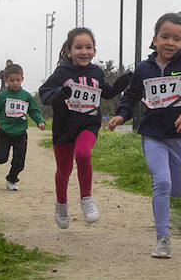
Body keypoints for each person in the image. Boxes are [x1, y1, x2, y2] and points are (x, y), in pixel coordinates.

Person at [107, 13, 181, 258]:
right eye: (165, 37)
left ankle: (165, 206)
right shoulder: (144, 69)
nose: (170, 43)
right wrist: (122, 115)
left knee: (177, 189)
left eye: (176, 38)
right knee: (162, 182)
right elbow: (130, 97)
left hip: (178, 136)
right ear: (155, 39)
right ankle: (162, 238)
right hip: (152, 133)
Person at [38, 27, 124, 228]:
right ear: (69, 50)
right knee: (64, 169)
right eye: (78, 47)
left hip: (88, 123)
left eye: (89, 47)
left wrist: (122, 83)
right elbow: (45, 94)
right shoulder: (62, 72)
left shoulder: (97, 72)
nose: (84, 52)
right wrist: (61, 92)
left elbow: (108, 92)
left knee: (84, 154)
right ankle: (61, 204)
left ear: (94, 50)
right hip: (64, 127)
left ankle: (87, 199)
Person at [0, 62, 46, 191]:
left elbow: (34, 110)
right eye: (11, 80)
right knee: (0, 158)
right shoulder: (2, 96)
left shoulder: (26, 96)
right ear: (6, 80)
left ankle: (12, 179)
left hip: (20, 134)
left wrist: (40, 121)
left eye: (17, 80)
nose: (15, 83)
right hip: (4, 132)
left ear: (22, 79)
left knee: (19, 162)